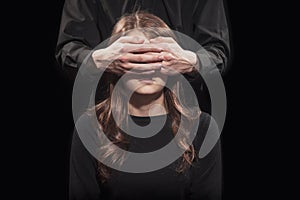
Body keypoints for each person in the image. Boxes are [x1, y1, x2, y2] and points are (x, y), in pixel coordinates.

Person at [69, 12, 222, 200]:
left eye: (156, 57)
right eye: (136, 57)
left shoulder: (202, 128)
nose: (146, 67)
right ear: (114, 63)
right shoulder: (91, 127)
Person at [55, 0, 231, 113]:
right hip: (107, 116)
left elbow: (218, 52)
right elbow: (67, 49)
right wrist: (99, 60)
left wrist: (192, 62)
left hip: (183, 116)